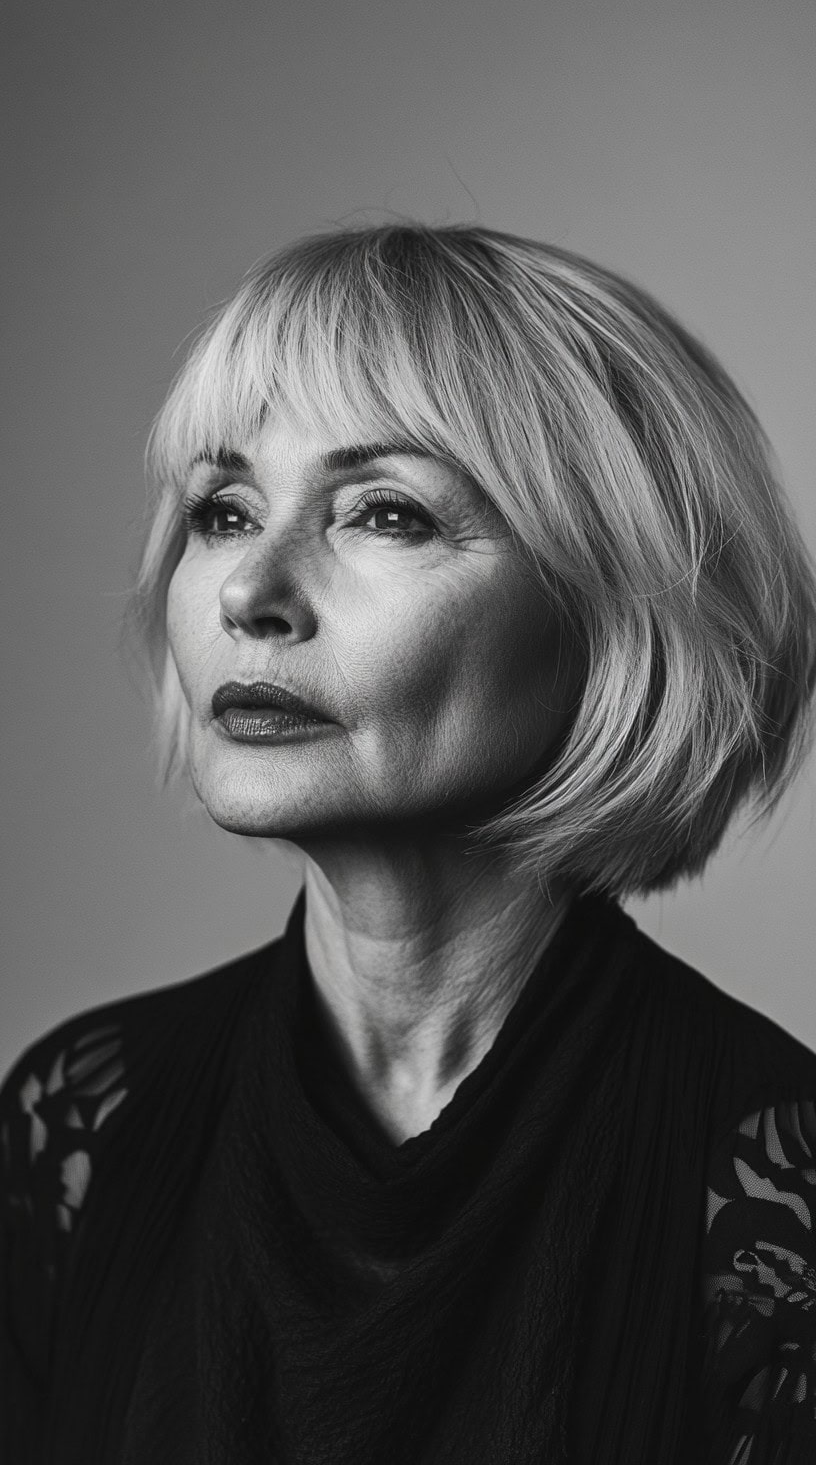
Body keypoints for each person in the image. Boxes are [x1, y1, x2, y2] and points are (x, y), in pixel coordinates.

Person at [2, 224, 815, 1465]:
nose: (247, 589)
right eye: (225, 508)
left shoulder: (771, 1184)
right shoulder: (85, 1118)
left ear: (611, 614)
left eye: (382, 511)